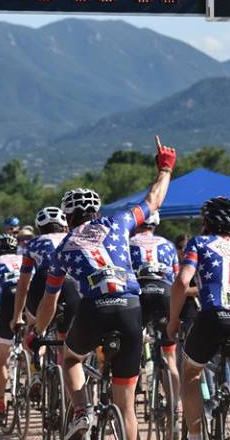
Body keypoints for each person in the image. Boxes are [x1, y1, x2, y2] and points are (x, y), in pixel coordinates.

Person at [33, 135, 176, 440]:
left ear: (68, 218)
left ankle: (82, 410)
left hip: (94, 308)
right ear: (96, 212)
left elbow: (49, 301)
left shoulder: (63, 248)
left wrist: (38, 332)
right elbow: (153, 201)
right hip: (130, 306)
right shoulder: (120, 222)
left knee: (71, 358)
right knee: (126, 407)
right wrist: (165, 169)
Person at [168, 197, 230, 440]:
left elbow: (182, 281)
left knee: (191, 374)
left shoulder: (198, 243)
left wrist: (173, 320)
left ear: (206, 223)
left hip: (215, 315)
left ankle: (196, 436)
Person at [128, 210, 180, 424]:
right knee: (169, 355)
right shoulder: (168, 244)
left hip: (139, 294)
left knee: (129, 348)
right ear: (155, 225)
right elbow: (176, 276)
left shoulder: (128, 243)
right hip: (165, 293)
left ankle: (127, 403)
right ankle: (174, 408)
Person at [10, 206, 78, 347]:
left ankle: (36, 352)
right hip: (71, 283)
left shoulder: (33, 243)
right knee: (66, 338)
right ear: (65, 227)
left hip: (42, 282)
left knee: (32, 327)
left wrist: (17, 316)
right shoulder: (73, 239)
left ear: (39, 229)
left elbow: (23, 284)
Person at [0, 233, 22, 426]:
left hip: (8, 302)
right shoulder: (25, 259)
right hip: (29, 298)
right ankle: (36, 371)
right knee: (36, 339)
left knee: (1, 360)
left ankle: (0, 406)